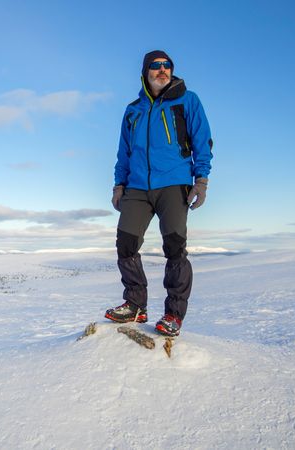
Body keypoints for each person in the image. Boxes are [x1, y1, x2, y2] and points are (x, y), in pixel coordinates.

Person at [104, 50, 213, 337]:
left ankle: (173, 314)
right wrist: (119, 185)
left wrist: (201, 180)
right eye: (155, 66)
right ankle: (135, 304)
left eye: (167, 66)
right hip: (137, 187)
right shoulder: (133, 110)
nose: (162, 70)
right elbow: (123, 153)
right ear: (145, 72)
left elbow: (203, 141)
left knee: (175, 247)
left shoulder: (187, 100)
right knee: (126, 244)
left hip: (174, 183)